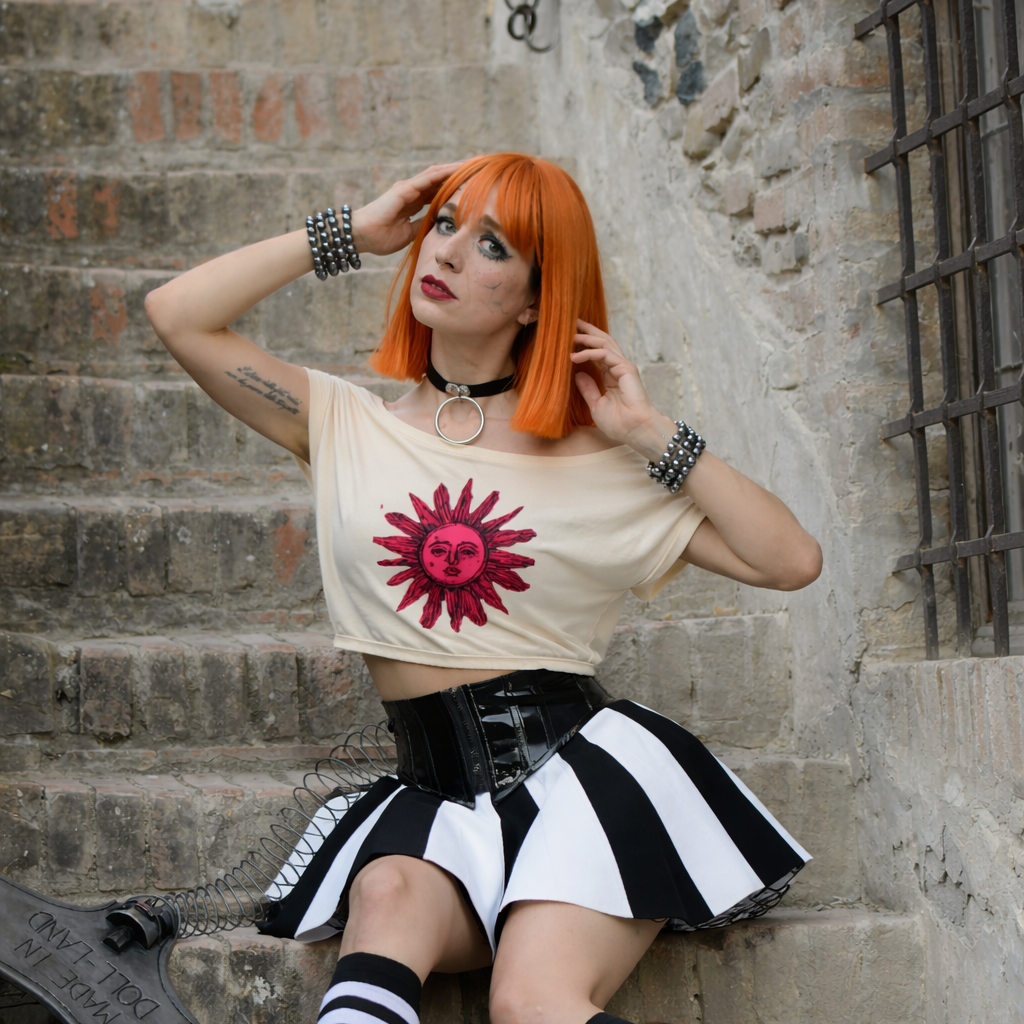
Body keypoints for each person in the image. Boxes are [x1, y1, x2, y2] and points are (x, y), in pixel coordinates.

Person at [145, 153, 821, 1024]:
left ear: (541, 297)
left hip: (580, 777)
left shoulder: (602, 464)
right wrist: (354, 230)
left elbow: (789, 559)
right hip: (432, 790)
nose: (451, 252)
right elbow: (180, 315)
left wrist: (649, 431)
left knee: (530, 1003)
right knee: (384, 900)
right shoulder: (344, 424)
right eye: (447, 224)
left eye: (493, 244)